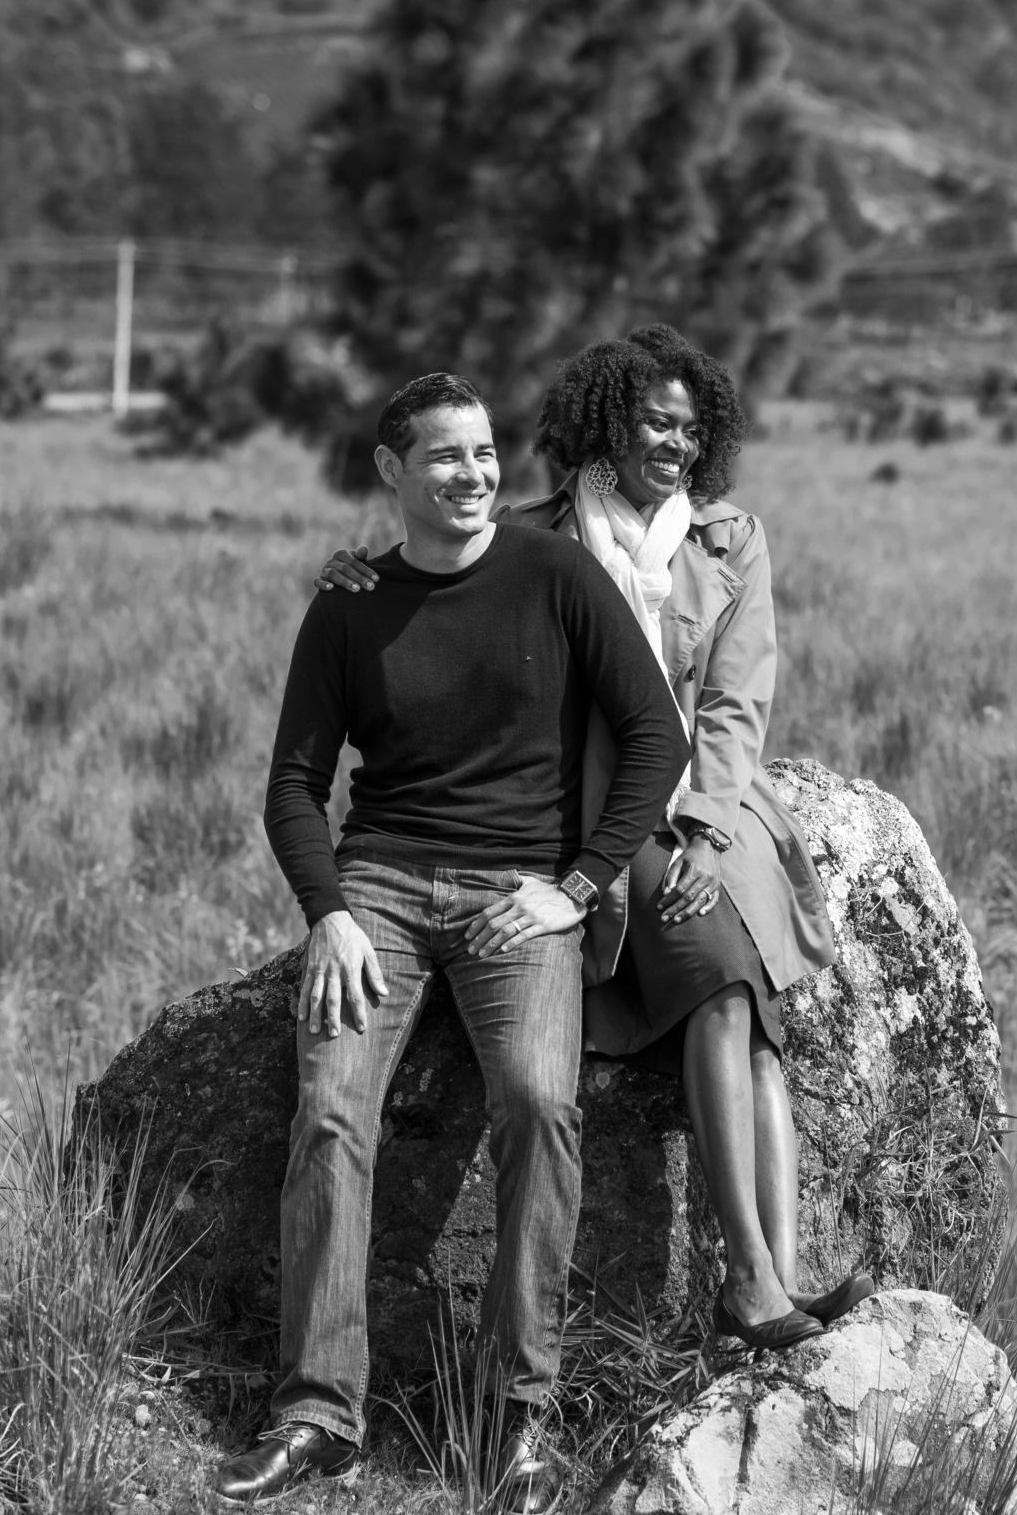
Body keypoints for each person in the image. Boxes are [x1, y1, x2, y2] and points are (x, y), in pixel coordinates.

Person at [313, 325, 876, 1353]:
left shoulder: (731, 538)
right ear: (607, 423)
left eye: (691, 428)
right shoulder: (540, 537)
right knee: (720, 982)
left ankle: (767, 1280)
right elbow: (439, 565)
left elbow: (738, 701)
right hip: (606, 811)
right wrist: (355, 571)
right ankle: (752, 1283)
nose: (674, 443)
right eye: (654, 422)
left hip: (711, 800)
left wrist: (709, 827)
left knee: (744, 1002)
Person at [215, 372, 688, 1510]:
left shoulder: (553, 573)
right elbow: (292, 783)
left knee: (538, 1099)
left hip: (518, 892)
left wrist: (575, 885)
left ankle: (513, 1419)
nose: (474, 475)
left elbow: (655, 735)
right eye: (445, 456)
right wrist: (326, 908)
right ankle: (320, 1411)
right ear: (392, 473)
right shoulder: (349, 602)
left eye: (484, 454)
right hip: (377, 882)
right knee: (331, 1104)